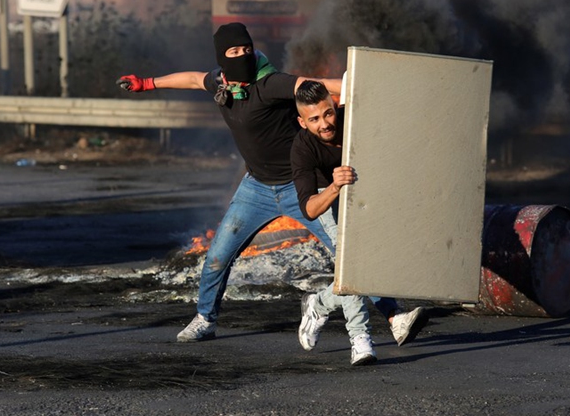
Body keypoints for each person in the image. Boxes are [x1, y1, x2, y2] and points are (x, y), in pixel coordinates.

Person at [116, 22, 427, 347]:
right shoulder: (220, 83)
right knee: (218, 257)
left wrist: (360, 81)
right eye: (235, 52)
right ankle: (205, 319)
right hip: (255, 188)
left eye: (247, 49)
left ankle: (395, 317)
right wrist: (147, 83)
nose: (243, 56)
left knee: (347, 254)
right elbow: (194, 79)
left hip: (301, 186)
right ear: (223, 57)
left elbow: (316, 85)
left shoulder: (270, 83)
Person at [291, 80, 430, 355]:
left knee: (372, 259)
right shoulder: (302, 148)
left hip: (362, 184)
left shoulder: (353, 118)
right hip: (326, 193)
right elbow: (310, 209)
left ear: (335, 104)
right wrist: (334, 186)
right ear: (302, 122)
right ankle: (361, 339)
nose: (325, 124)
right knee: (351, 260)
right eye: (314, 119)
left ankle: (318, 304)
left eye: (328, 113)